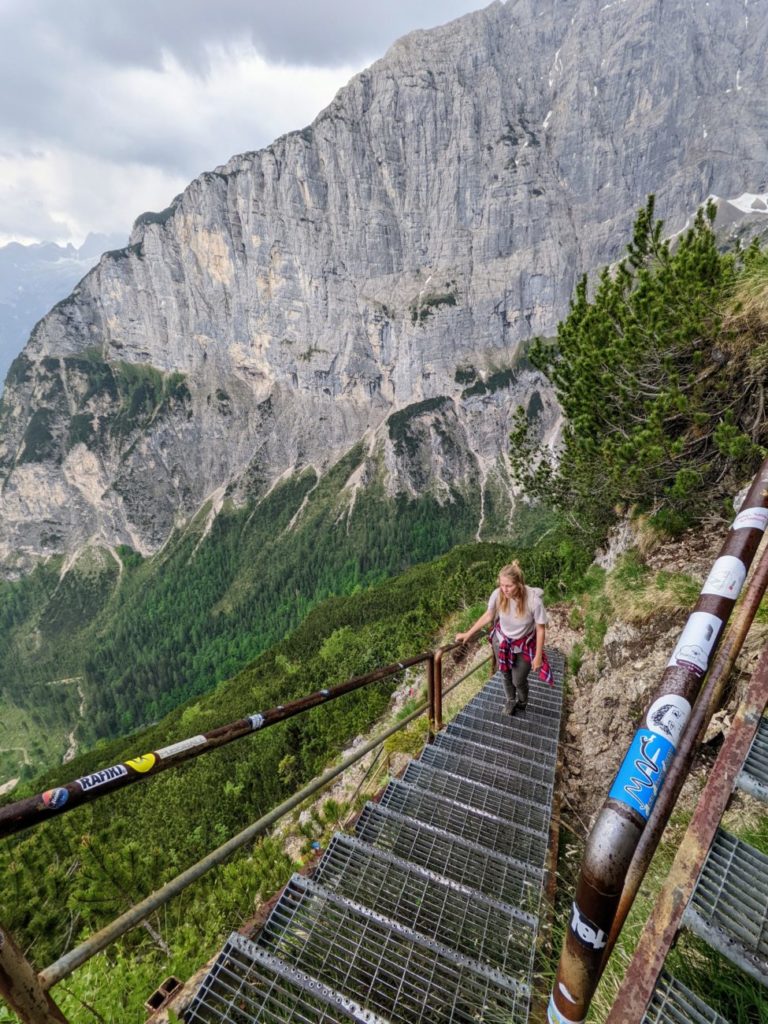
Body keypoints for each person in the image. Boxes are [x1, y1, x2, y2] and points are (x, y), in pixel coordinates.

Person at [455, 561, 551, 715]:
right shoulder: (498, 594)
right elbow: (488, 615)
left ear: (519, 584)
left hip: (524, 645)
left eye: (508, 586)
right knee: (505, 673)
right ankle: (510, 700)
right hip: (501, 641)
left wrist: (538, 655)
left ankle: (522, 702)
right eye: (502, 585)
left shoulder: (533, 601)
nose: (504, 590)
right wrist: (468, 633)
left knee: (518, 680)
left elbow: (540, 629)